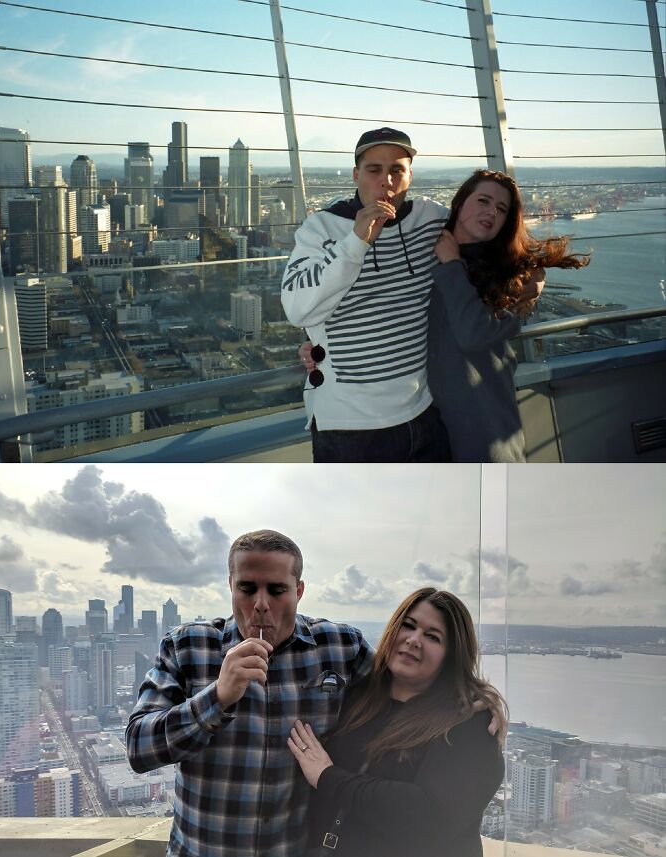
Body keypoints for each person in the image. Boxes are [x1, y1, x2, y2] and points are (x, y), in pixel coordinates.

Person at [125, 529, 374, 857]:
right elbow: (138, 748)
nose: (260, 604)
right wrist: (217, 697)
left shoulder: (341, 646)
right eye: (247, 588)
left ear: (298, 591)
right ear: (231, 585)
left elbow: (403, 703)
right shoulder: (187, 646)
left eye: (277, 590)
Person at [288, 588, 506, 857]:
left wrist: (326, 776)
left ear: (452, 656)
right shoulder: (359, 696)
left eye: (433, 637)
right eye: (408, 625)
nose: (414, 640)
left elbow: (430, 816)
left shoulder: (470, 724)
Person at [281, 127, 452, 463]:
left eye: (397, 170)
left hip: (424, 413)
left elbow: (485, 236)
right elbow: (297, 308)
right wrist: (356, 241)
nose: (386, 180)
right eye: (374, 170)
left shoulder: (431, 218)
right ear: (356, 174)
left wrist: (531, 278)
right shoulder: (322, 228)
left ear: (410, 176)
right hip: (349, 426)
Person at [429, 169, 590, 462]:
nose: (491, 211)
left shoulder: (514, 280)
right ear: (460, 203)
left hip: (482, 431)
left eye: (501, 209)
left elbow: (473, 335)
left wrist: (451, 265)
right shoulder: (425, 249)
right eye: (483, 201)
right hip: (423, 429)